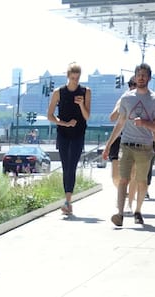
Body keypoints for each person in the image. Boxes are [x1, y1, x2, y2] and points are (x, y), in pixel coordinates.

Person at [103, 63, 155, 227]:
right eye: (139, 75)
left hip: (144, 147)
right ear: (135, 78)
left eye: (144, 75)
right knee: (123, 179)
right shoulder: (126, 98)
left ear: (149, 78)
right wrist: (108, 145)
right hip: (126, 145)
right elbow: (120, 122)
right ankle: (120, 214)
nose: (141, 78)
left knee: (141, 181)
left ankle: (138, 210)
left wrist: (145, 123)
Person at [46, 61, 90, 216]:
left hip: (78, 133)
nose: (75, 81)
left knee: (72, 166)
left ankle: (68, 201)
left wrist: (81, 104)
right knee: (66, 166)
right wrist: (64, 123)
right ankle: (67, 201)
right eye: (72, 78)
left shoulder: (86, 91)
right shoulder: (58, 92)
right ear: (68, 76)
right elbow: (50, 115)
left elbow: (87, 116)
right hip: (63, 133)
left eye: (77, 78)